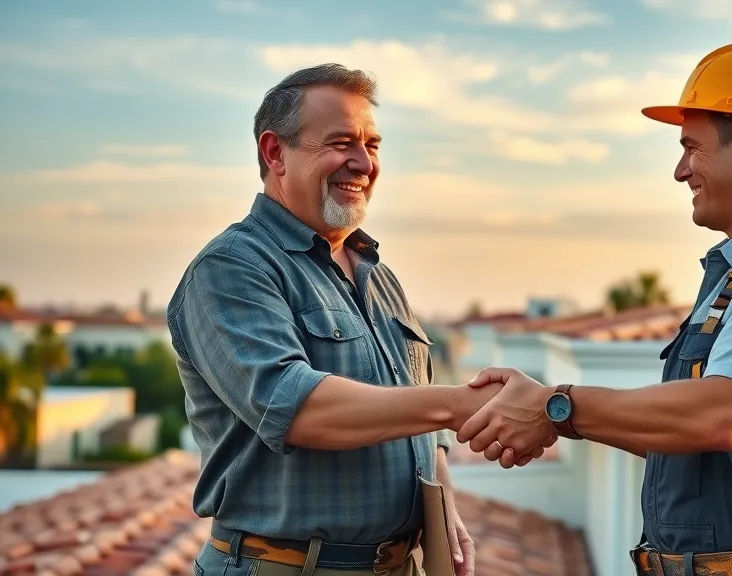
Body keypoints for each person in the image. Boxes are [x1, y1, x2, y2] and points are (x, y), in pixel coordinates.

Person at [457, 42, 732, 575]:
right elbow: (684, 433)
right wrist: (550, 412)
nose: (682, 171)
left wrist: (554, 407)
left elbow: (721, 415)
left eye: (692, 147)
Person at [167, 64, 549, 576]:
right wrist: (461, 405)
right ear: (274, 153)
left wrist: (444, 511)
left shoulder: (380, 277)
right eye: (341, 143)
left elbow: (419, 418)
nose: (362, 163)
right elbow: (298, 409)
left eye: (372, 145)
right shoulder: (232, 269)